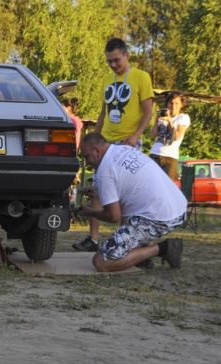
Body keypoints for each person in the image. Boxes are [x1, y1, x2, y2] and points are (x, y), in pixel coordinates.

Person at [73, 37, 154, 252]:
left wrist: (136, 135)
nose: (113, 65)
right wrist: (94, 137)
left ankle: (130, 241)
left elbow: (148, 112)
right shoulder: (107, 79)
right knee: (99, 188)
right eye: (109, 61)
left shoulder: (141, 77)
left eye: (116, 60)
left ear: (127, 55)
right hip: (106, 142)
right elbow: (103, 112)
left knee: (127, 192)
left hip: (128, 141)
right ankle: (93, 239)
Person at [78, 133, 187, 272]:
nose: (87, 162)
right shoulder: (124, 149)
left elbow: (113, 216)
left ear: (96, 151)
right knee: (127, 218)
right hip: (178, 208)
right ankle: (142, 253)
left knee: (102, 261)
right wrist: (100, 193)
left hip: (158, 218)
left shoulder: (104, 171)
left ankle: (164, 248)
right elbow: (128, 187)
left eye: (87, 156)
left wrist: (89, 212)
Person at [149, 91, 190, 179]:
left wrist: (169, 120)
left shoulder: (183, 118)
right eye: (171, 103)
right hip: (154, 154)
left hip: (169, 158)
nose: (173, 106)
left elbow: (176, 136)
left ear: (181, 105)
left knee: (168, 187)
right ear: (167, 104)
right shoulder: (162, 117)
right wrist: (156, 121)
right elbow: (152, 135)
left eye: (176, 103)